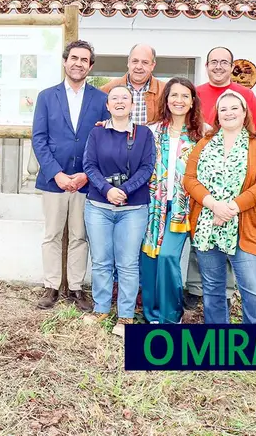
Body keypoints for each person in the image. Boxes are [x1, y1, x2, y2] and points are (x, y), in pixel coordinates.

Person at [184, 46, 256, 309]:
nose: (229, 113)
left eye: (235, 109)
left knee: (253, 290)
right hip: (207, 222)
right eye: (224, 110)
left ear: (245, 112)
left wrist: (231, 208)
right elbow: (190, 178)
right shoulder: (205, 141)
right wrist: (214, 206)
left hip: (242, 223)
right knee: (212, 287)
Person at [31, 40, 109, 311]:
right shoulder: (46, 96)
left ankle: (75, 288)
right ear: (65, 62)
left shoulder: (101, 100)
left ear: (90, 66)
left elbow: (103, 140)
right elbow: (39, 139)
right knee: (52, 234)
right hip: (54, 181)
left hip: (86, 182)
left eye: (84, 60)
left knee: (79, 236)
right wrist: (57, 174)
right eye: (73, 58)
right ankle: (51, 286)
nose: (78, 63)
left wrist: (87, 175)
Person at [82, 86, 156, 338]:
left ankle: (125, 316)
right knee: (101, 260)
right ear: (108, 105)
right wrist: (106, 190)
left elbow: (147, 167)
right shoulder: (96, 133)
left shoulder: (144, 134)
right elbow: (89, 165)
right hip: (98, 206)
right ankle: (101, 308)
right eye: (115, 98)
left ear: (133, 105)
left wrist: (123, 190)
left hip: (133, 208)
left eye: (125, 97)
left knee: (127, 263)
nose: (120, 101)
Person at [139, 78, 205, 324]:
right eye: (174, 95)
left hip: (182, 208)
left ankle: (170, 316)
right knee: (150, 257)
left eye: (185, 96)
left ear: (192, 102)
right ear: (166, 99)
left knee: (167, 256)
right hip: (154, 204)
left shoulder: (202, 134)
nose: (179, 100)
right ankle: (151, 315)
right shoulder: (152, 130)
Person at [100, 43, 165, 125]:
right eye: (135, 61)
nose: (139, 66)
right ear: (128, 62)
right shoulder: (107, 90)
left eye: (145, 62)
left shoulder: (165, 91)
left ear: (152, 65)